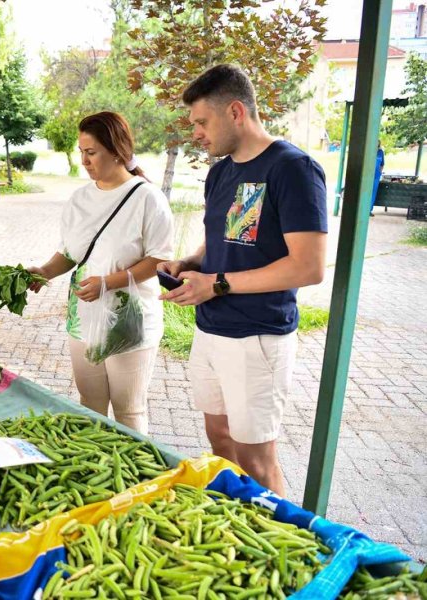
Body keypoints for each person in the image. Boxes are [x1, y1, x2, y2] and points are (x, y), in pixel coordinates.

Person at [159, 65, 327, 496]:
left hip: (257, 337)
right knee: (220, 440)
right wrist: (190, 262)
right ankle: (236, 522)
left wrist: (216, 284)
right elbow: (224, 237)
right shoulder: (221, 172)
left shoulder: (293, 168)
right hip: (210, 330)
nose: (195, 133)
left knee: (257, 460)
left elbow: (308, 267)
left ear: (235, 112)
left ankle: (281, 534)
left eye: (201, 122)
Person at [26, 112, 174, 434]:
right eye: (81, 152)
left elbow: (159, 259)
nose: (84, 161)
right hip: (84, 319)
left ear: (117, 151)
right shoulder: (80, 199)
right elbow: (71, 253)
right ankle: (96, 462)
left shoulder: (147, 198)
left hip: (129, 321)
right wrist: (44, 271)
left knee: (128, 410)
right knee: (90, 403)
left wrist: (109, 283)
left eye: (91, 152)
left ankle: (133, 465)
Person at [369, 142, 385, 217]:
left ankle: (369, 210)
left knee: (373, 192)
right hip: (368, 175)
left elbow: (382, 164)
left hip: (376, 175)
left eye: (378, 144)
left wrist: (380, 172)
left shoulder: (380, 152)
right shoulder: (369, 151)